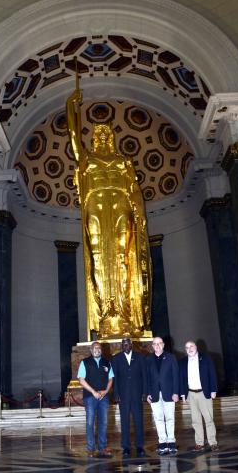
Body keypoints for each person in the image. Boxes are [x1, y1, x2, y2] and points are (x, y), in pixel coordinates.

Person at [66, 77, 152, 339]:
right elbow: (72, 135)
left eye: (107, 133)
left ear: (112, 138)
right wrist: (71, 104)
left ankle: (126, 315)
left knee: (123, 258)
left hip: (121, 204)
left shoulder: (124, 161)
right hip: (95, 205)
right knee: (98, 259)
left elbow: (135, 191)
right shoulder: (87, 158)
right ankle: (106, 313)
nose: (102, 136)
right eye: (98, 134)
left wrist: (140, 215)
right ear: (93, 139)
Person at [179, 340, 218, 451]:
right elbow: (181, 379)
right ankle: (199, 443)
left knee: (209, 419)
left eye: (191, 346)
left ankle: (212, 442)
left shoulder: (205, 358)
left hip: (204, 393)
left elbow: (212, 374)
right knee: (195, 420)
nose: (189, 348)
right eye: (187, 347)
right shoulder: (182, 362)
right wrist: (183, 394)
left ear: (196, 347)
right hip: (190, 394)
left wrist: (213, 390)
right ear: (185, 350)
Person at [77, 341, 114, 458]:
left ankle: (102, 448)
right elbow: (81, 379)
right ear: (91, 350)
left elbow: (111, 379)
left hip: (103, 397)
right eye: (94, 348)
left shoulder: (107, 362)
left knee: (103, 422)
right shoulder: (85, 362)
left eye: (98, 348)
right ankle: (91, 449)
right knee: (90, 422)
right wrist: (93, 392)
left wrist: (106, 391)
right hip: (90, 397)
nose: (97, 349)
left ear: (101, 350)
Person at [112, 338, 147, 457]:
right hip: (123, 396)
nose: (125, 346)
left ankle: (140, 446)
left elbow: (144, 376)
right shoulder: (116, 358)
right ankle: (126, 447)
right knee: (124, 421)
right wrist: (116, 394)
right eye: (123, 344)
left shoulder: (140, 357)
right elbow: (114, 378)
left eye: (127, 344)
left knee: (139, 421)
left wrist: (144, 393)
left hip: (137, 395)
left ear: (131, 345)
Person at [146, 337, 179, 455]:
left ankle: (171, 442)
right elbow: (147, 378)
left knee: (170, 418)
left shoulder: (171, 357)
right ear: (152, 346)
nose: (157, 345)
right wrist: (147, 393)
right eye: (155, 344)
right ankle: (162, 442)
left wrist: (176, 392)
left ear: (163, 345)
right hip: (154, 394)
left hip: (169, 393)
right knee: (158, 419)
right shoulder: (148, 359)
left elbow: (176, 376)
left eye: (159, 343)